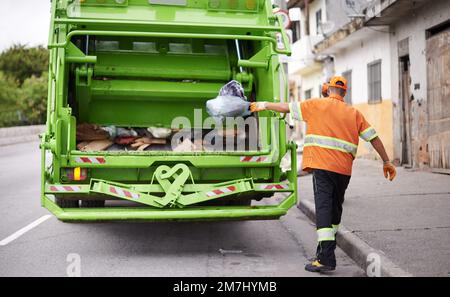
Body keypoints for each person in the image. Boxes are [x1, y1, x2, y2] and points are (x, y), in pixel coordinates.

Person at [250, 76, 397, 273]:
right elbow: (374, 137)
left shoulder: (316, 104)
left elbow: (286, 107)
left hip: (322, 167)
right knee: (335, 211)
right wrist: (387, 161)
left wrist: (263, 104)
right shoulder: (354, 113)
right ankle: (324, 251)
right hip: (344, 170)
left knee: (324, 210)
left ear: (326, 89)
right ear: (344, 93)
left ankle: (326, 258)